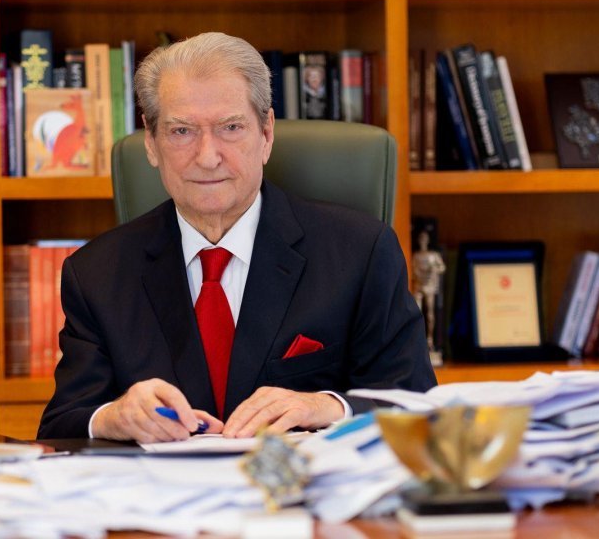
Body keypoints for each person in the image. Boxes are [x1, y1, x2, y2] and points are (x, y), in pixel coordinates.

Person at [37, 32, 436, 443]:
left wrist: (328, 406)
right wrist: (112, 417)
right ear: (151, 143)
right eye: (181, 131)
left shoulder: (361, 252)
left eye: (231, 127)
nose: (208, 157)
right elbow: (61, 427)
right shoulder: (96, 274)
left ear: (266, 134)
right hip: (160, 484)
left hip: (299, 482)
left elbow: (420, 407)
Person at [411, 229, 446, 360]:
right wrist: (419, 273)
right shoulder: (416, 256)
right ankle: (417, 340)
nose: (423, 242)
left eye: (424, 239)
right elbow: (412, 269)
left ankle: (430, 340)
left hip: (430, 286)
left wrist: (433, 269)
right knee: (417, 312)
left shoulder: (433, 255)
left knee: (430, 314)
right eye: (421, 239)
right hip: (419, 286)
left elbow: (442, 267)